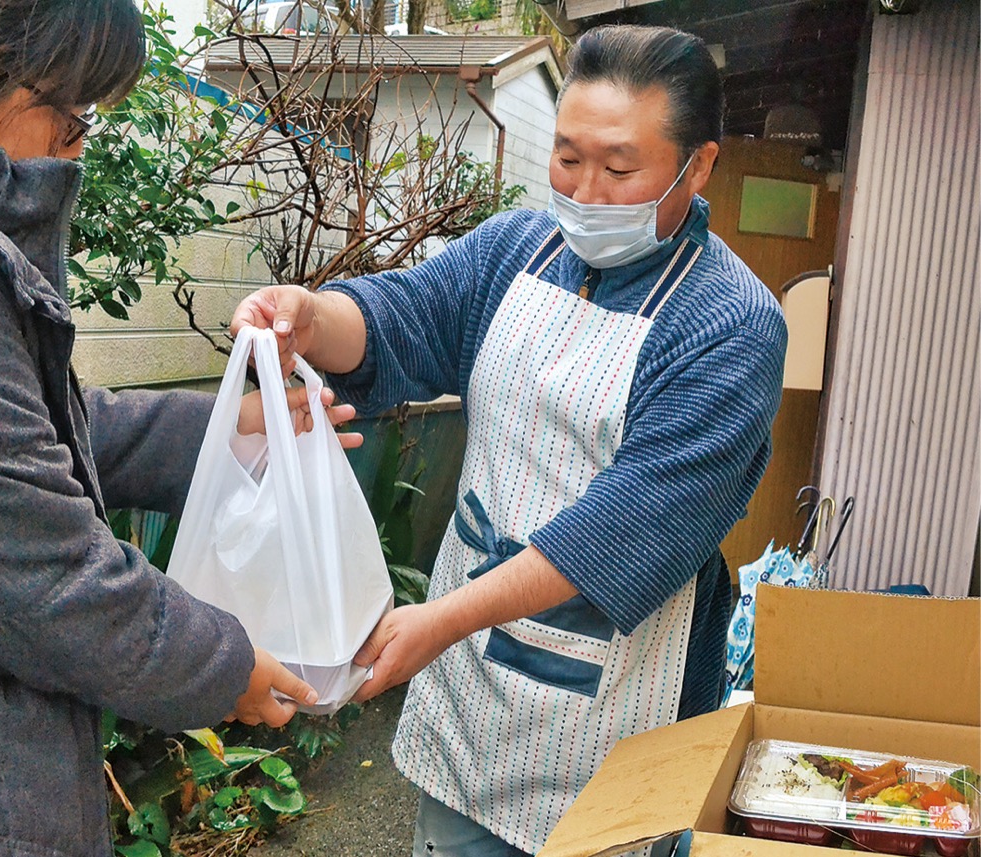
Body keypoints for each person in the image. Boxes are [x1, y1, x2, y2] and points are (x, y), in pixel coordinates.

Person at [0, 2, 360, 854]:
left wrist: (233, 429)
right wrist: (222, 666)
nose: (78, 143)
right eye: (71, 112)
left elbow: (14, 437)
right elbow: (34, 574)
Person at [232, 24, 788, 857]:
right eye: (568, 159)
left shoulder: (729, 327)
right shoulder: (517, 250)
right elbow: (402, 320)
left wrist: (444, 618)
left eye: (621, 168)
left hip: (613, 706)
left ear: (697, 165)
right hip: (471, 689)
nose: (588, 192)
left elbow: (626, 530)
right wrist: (310, 320)